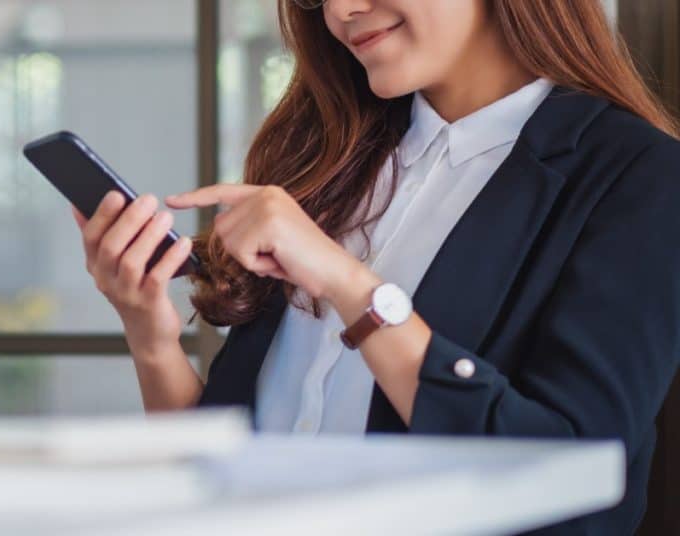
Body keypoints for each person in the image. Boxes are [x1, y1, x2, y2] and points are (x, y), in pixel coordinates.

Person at [70, 1, 680, 533]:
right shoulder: (327, 164)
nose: (339, 11)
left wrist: (348, 284)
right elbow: (225, 474)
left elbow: (570, 475)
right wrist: (149, 333)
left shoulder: (638, 177)